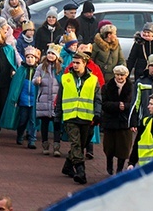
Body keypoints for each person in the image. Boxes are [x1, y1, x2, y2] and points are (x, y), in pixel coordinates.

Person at [56, 51, 102, 184]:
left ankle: (68, 166)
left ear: (85, 63)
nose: (75, 65)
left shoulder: (93, 80)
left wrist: (98, 114)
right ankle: (81, 170)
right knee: (76, 143)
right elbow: (59, 99)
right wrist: (57, 116)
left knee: (82, 144)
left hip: (86, 117)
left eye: (78, 63)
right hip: (70, 116)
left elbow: (97, 99)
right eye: (73, 62)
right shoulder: (66, 78)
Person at [101, 65, 133, 175]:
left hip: (124, 122)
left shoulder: (131, 88)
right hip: (110, 121)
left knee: (123, 147)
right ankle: (109, 165)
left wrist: (126, 106)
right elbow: (104, 104)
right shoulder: (106, 87)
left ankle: (120, 169)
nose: (120, 77)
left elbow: (134, 104)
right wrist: (116, 106)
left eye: (122, 75)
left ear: (126, 75)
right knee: (109, 146)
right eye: (118, 75)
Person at [34, 44, 63, 156]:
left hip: (56, 100)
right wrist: (37, 81)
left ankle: (56, 146)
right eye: (49, 53)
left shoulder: (61, 68)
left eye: (53, 54)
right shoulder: (41, 67)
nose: (50, 55)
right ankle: (45, 145)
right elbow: (34, 80)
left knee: (57, 124)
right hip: (44, 100)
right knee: (44, 124)